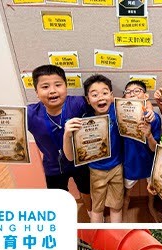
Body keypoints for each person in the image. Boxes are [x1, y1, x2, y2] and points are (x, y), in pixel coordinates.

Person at [26, 65, 92, 212]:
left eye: (58, 85)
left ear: (66, 87)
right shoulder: (30, 113)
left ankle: (91, 214)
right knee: (57, 198)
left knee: (87, 191)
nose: (53, 91)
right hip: (52, 166)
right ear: (36, 92)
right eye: (45, 86)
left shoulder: (79, 103)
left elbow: (103, 110)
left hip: (80, 162)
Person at [61, 75, 124, 223]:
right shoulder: (83, 120)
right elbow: (70, 157)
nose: (100, 97)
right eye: (94, 94)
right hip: (96, 170)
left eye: (105, 92)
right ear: (88, 99)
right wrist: (67, 134)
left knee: (116, 206)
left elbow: (138, 106)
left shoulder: (119, 111)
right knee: (97, 208)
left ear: (111, 95)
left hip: (117, 167)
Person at [121, 80, 161, 216]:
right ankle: (124, 215)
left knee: (151, 189)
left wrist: (149, 134)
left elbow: (154, 148)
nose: (132, 94)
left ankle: (151, 207)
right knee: (127, 192)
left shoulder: (154, 118)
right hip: (130, 162)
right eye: (128, 92)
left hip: (149, 162)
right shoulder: (119, 115)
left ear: (145, 95)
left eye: (137, 91)